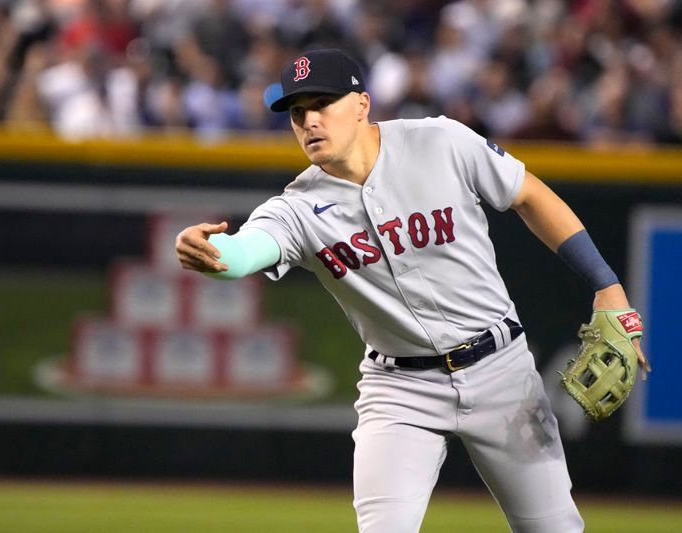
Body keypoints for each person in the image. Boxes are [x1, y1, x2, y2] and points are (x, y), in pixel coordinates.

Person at [174, 48, 650, 533]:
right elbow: (242, 253)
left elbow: (528, 195)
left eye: (323, 103)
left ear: (362, 103)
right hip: (399, 391)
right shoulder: (296, 208)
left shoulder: (439, 141)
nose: (310, 120)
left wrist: (606, 284)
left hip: (502, 372)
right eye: (298, 112)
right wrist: (212, 253)